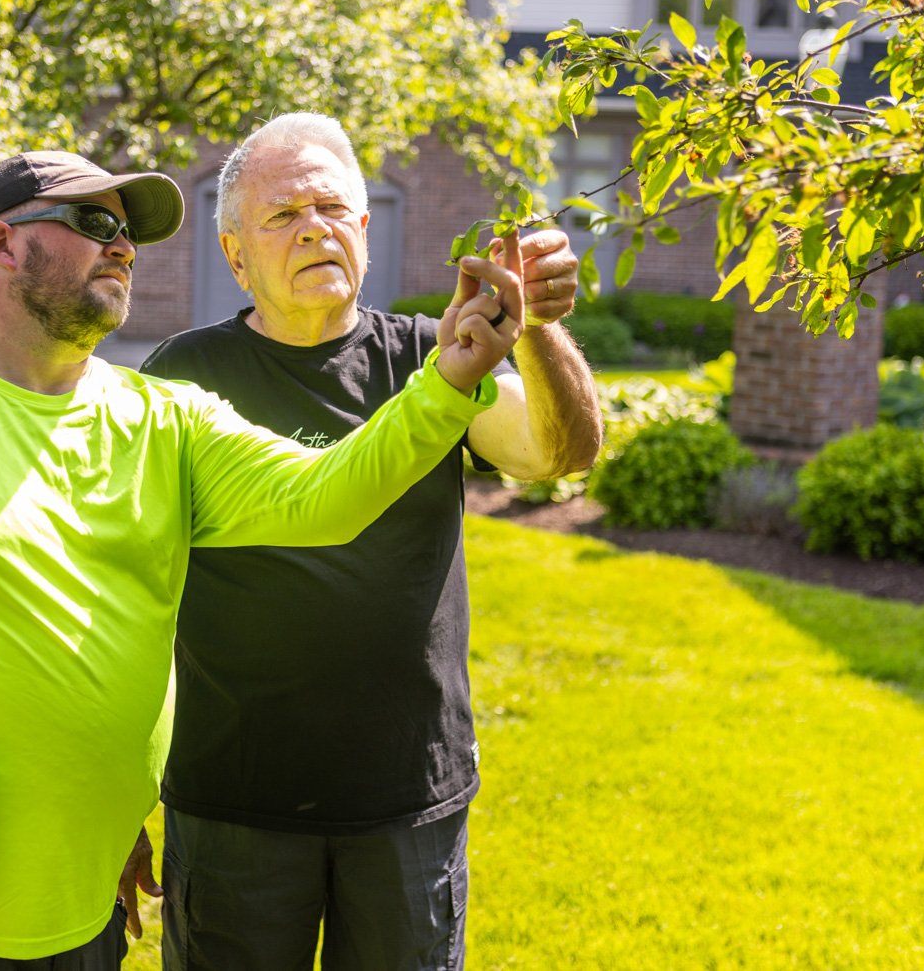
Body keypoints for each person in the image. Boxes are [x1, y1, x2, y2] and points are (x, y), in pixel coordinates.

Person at [0, 148, 525, 970]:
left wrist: (447, 382)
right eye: (93, 222)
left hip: (88, 916)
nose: (121, 246)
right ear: (2, 244)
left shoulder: (167, 418)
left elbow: (323, 495)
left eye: (127, 232)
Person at [141, 113, 602, 971]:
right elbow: (126, 593)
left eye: (331, 207)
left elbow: (561, 451)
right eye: (282, 215)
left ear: (362, 227)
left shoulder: (434, 359)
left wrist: (532, 325)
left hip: (406, 800)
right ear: (236, 255)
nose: (313, 226)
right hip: (235, 801)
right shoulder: (181, 378)